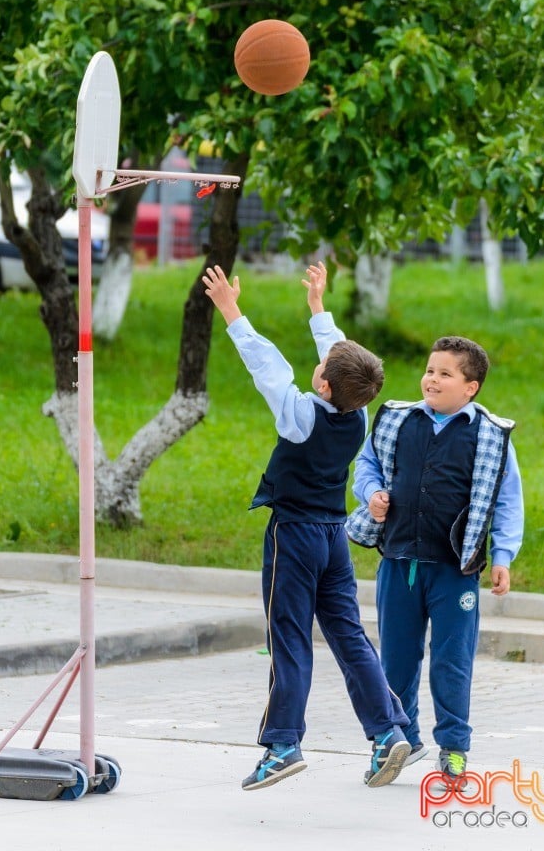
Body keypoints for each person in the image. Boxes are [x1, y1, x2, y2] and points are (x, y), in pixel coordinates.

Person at [202, 262, 410, 792]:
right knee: (349, 634)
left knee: (289, 637)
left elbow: (267, 368)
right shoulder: (358, 412)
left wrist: (231, 310)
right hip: (333, 538)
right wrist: (318, 309)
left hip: (293, 535)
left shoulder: (300, 414)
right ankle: (387, 731)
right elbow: (344, 364)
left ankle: (283, 744)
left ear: (321, 381)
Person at [349, 335, 524, 789]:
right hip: (399, 561)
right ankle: (396, 741)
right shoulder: (398, 421)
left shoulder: (489, 434)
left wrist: (503, 555)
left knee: (452, 661)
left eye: (446, 374)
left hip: (454, 571)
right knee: (396, 660)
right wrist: (372, 495)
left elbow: (507, 502)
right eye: (430, 370)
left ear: (471, 387)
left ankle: (453, 749)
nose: (432, 379)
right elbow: (365, 467)